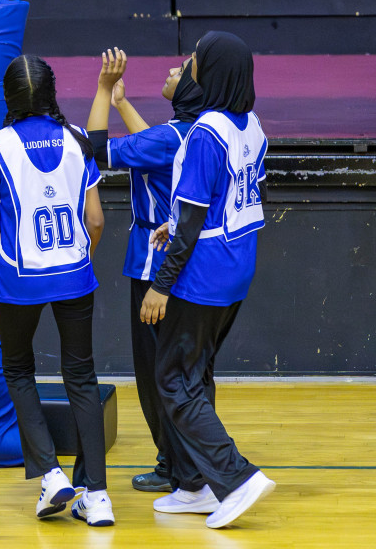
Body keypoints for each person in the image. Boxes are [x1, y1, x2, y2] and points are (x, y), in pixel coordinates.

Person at [0, 54, 115, 526]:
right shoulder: (77, 139)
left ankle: (51, 475)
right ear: (51, 92)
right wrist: (81, 255)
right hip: (75, 273)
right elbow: (95, 219)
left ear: (8, 96)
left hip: (20, 277)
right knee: (82, 379)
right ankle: (98, 497)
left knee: (17, 372)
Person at [140, 31, 276, 529]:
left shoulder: (204, 132)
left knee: (173, 379)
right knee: (197, 373)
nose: (189, 60)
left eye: (196, 55)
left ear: (212, 70)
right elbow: (223, 199)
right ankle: (196, 485)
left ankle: (236, 478)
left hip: (203, 273)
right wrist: (172, 224)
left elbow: (197, 218)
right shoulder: (252, 125)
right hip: (237, 265)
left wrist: (160, 285)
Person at [84, 47, 204, 496]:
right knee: (177, 368)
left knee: (156, 373)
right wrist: (121, 104)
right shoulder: (195, 132)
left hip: (156, 264)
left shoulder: (171, 138)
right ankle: (176, 460)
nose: (172, 68)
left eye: (183, 68)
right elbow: (153, 147)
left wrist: (100, 89)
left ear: (194, 86)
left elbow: (94, 151)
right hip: (189, 261)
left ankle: (178, 466)